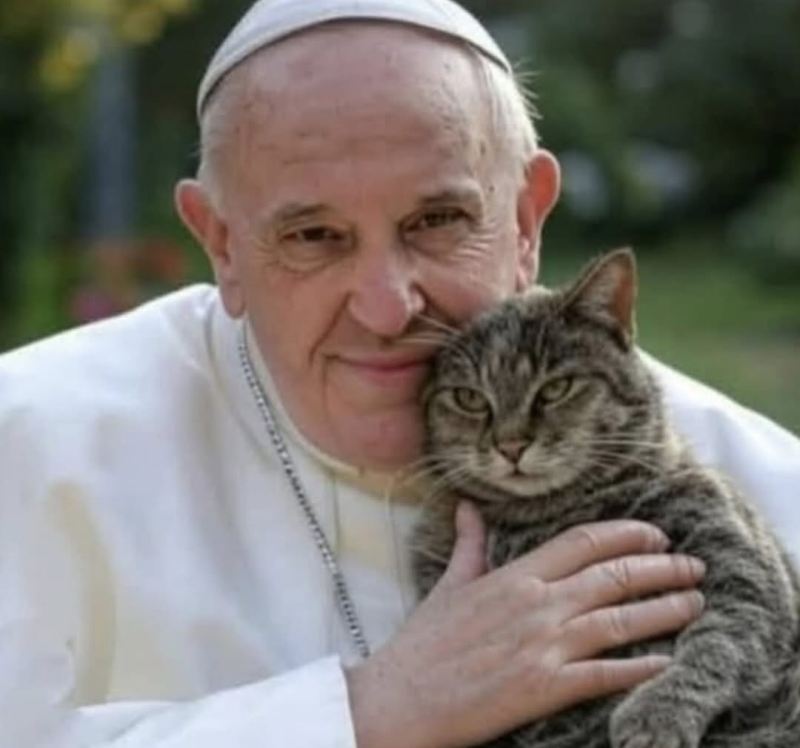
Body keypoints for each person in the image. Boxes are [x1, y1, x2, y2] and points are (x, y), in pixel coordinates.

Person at [1, 1, 798, 746]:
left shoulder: (767, 477)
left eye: (438, 220)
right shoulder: (25, 442)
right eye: (313, 236)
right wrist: (371, 712)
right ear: (222, 245)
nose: (387, 309)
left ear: (526, 221)